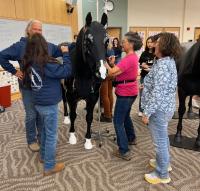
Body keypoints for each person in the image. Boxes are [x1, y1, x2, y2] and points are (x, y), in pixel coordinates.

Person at [0, 20, 62, 152]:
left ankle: (41, 137)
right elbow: (1, 56)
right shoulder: (20, 46)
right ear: (28, 30)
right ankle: (31, 140)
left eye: (40, 30)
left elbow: (60, 50)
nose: (38, 32)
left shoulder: (47, 46)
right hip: (27, 88)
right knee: (31, 115)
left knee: (40, 115)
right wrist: (14, 71)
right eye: (35, 29)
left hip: (41, 88)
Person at [23, 33, 72, 176]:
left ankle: (44, 156)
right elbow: (66, 71)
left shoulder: (29, 62)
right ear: (43, 46)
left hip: (38, 103)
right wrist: (66, 54)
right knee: (51, 135)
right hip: (49, 105)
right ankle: (49, 166)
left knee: (44, 131)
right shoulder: (46, 63)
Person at [141, 32, 182, 184]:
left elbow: (158, 94)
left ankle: (161, 174)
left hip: (159, 110)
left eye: (157, 42)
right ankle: (164, 164)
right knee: (162, 138)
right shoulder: (165, 61)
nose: (154, 44)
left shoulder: (164, 65)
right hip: (164, 107)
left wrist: (146, 113)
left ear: (165, 46)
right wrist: (146, 84)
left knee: (159, 142)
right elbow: (158, 84)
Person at [104, 32, 143, 160]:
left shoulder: (129, 58)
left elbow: (112, 73)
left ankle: (124, 150)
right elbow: (119, 71)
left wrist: (103, 62)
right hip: (130, 91)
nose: (122, 43)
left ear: (131, 44)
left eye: (124, 41)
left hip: (126, 93)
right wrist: (113, 63)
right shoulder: (131, 57)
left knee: (118, 121)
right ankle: (131, 138)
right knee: (125, 116)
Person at [138, 36, 155, 117]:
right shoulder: (144, 53)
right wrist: (144, 65)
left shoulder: (157, 54)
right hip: (144, 76)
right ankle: (141, 110)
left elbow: (156, 66)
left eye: (151, 42)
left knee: (151, 94)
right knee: (143, 93)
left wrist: (148, 68)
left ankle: (149, 110)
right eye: (148, 42)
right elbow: (141, 64)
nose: (149, 44)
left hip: (153, 78)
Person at [100, 42, 115, 122]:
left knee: (104, 95)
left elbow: (103, 62)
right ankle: (109, 112)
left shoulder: (101, 50)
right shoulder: (110, 49)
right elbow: (112, 61)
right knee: (109, 93)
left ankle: (107, 115)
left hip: (105, 72)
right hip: (111, 72)